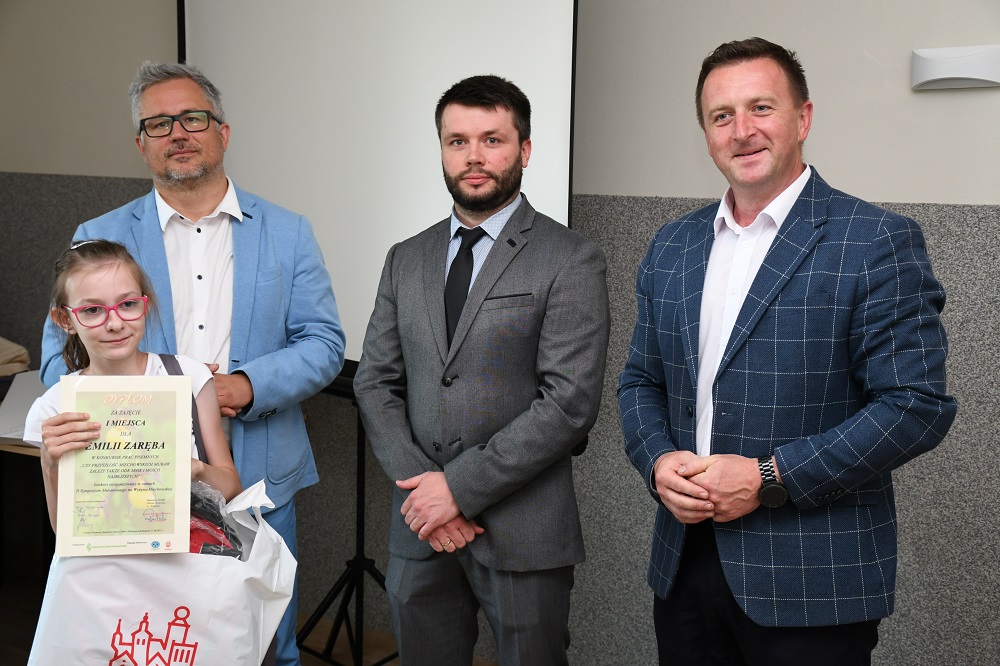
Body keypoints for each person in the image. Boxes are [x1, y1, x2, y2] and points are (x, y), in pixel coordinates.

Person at [618, 37, 958, 665]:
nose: (741, 130)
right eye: (722, 115)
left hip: (812, 580)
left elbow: (915, 406)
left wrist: (768, 477)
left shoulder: (875, 240)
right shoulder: (673, 245)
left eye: (761, 108)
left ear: (803, 118)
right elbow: (640, 379)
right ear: (706, 134)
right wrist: (658, 461)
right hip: (685, 567)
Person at [39, 62, 346, 666]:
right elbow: (58, 357)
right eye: (158, 124)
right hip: (131, 479)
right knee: (147, 642)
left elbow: (323, 343)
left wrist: (240, 387)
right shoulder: (99, 234)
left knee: (267, 643)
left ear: (222, 132)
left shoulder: (288, 232)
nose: (177, 133)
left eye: (192, 118)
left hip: (257, 475)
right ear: (141, 144)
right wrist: (119, 403)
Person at [354, 75, 610, 665]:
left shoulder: (571, 257)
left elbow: (568, 402)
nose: (473, 156)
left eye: (492, 140)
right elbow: (375, 380)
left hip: (524, 530)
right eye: (457, 141)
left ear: (525, 150)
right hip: (420, 527)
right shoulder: (405, 257)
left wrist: (458, 490)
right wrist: (425, 491)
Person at [25, 240, 241, 530]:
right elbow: (62, 530)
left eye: (127, 304)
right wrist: (49, 463)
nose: (115, 323)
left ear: (144, 304)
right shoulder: (54, 407)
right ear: (65, 320)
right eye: (92, 310)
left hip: (188, 553)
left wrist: (197, 469)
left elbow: (232, 488)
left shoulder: (188, 376)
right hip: (104, 557)